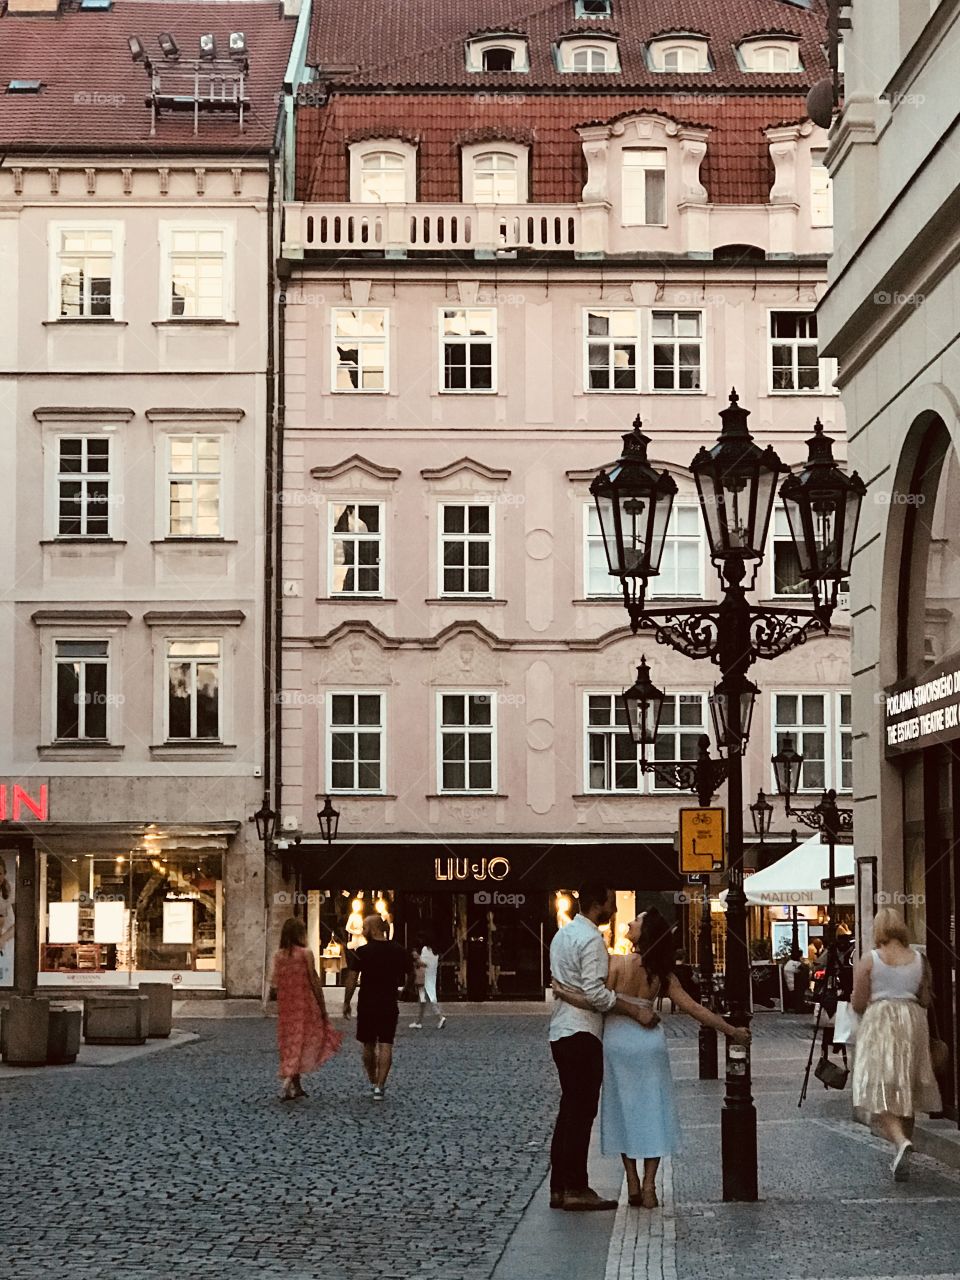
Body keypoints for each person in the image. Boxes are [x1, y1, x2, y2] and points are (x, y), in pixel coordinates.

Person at [554, 909, 749, 1209]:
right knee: (653, 1112)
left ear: (643, 933)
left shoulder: (615, 964)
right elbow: (695, 1009)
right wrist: (730, 1030)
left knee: (624, 1112)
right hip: (650, 1045)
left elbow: (597, 999)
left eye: (636, 921)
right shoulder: (662, 974)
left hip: (618, 1043)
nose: (630, 923)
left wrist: (564, 993)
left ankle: (630, 1180)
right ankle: (648, 1187)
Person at [548, 885, 663, 1213]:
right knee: (581, 1113)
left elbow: (566, 984)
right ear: (597, 904)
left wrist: (567, 995)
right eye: (611, 904)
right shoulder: (592, 941)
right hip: (583, 1031)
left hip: (560, 1030)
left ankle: (559, 1186)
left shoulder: (562, 935)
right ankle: (575, 1187)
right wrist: (633, 1008)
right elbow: (597, 995)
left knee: (568, 1111)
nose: (614, 911)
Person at [851, 906, 941, 1180]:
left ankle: (900, 1142)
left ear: (878, 930)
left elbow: (857, 1002)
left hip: (881, 1020)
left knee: (875, 1086)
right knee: (907, 1088)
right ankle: (904, 1152)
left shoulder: (870, 960)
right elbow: (926, 998)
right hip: (913, 1020)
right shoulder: (920, 959)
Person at [270, 917, 342, 1101]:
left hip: (287, 1006)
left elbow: (274, 983)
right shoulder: (305, 953)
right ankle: (287, 1081)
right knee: (303, 1041)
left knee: (290, 1042)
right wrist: (322, 1005)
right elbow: (314, 979)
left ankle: (297, 1085)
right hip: (304, 1004)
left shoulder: (278, 955)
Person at [354, 913, 412, 1100]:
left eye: (364, 927)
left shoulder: (362, 952)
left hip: (367, 1002)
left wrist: (347, 1001)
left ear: (372, 929)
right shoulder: (398, 950)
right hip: (388, 1002)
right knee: (386, 1043)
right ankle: (380, 1085)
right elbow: (411, 972)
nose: (362, 931)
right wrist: (405, 991)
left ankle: (372, 1080)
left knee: (368, 1044)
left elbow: (351, 978)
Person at [410, 937, 446, 1030]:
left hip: (424, 979)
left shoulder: (425, 950)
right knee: (423, 1000)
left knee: (429, 1000)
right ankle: (419, 1022)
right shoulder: (436, 953)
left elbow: (423, 963)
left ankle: (440, 1017)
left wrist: (416, 958)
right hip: (431, 977)